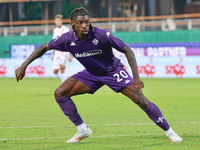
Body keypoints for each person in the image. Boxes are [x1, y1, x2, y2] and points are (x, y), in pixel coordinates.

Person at [15, 7, 182, 143]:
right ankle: (82, 129)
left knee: (140, 99)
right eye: (80, 23)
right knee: (60, 93)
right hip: (92, 74)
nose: (84, 26)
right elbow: (43, 48)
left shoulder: (101, 35)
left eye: (87, 22)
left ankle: (170, 132)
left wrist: (136, 77)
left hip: (113, 71)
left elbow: (127, 50)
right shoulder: (67, 39)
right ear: (72, 24)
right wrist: (23, 66)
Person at [51, 14, 72, 82]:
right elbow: (54, 43)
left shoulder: (66, 29)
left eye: (59, 20)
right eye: (56, 20)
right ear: (54, 22)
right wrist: (53, 54)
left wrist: (70, 55)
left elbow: (69, 42)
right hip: (57, 52)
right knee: (55, 71)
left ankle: (65, 85)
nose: (57, 22)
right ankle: (66, 79)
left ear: (62, 21)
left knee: (62, 68)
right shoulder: (55, 30)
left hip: (64, 52)